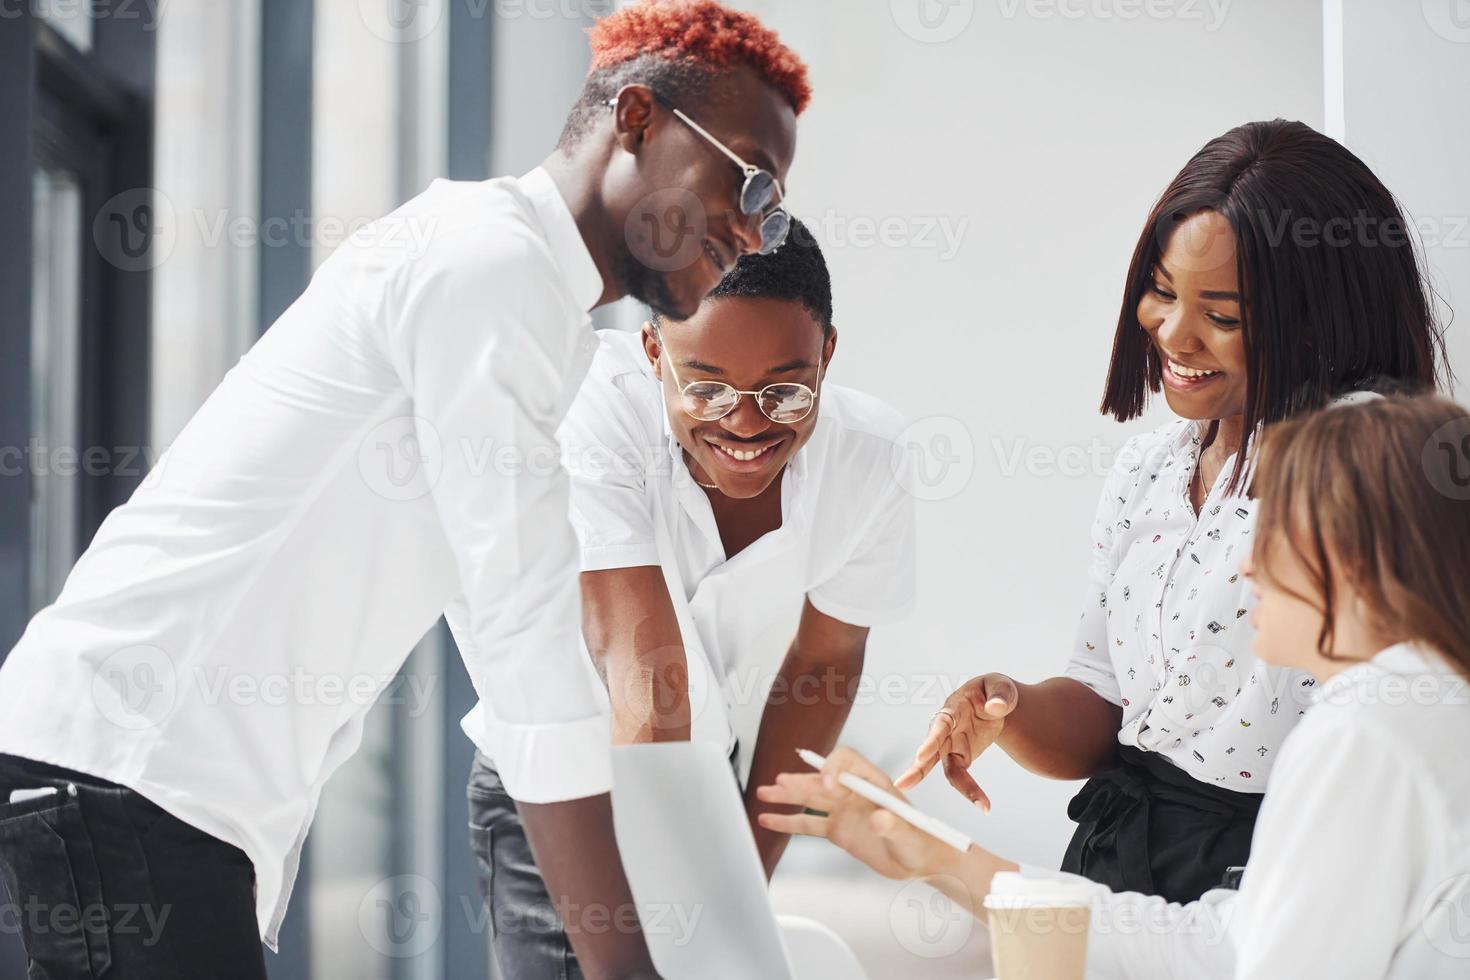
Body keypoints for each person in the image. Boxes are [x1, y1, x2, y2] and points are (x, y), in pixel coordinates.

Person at [0, 2, 809, 977]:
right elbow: (525, 635)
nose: (754, 230)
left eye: (776, 210)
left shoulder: (532, 313)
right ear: (636, 118)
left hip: (164, 798)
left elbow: (510, 636)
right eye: (750, 180)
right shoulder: (489, 263)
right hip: (130, 769)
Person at [893, 119, 1449, 903]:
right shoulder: (1148, 471)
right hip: (1123, 857)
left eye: (1222, 316)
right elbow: (1108, 711)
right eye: (1161, 292)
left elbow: (1376, 733)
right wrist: (1006, 707)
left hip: (1265, 870)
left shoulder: (1354, 471)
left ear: (1318, 316)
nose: (1174, 333)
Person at [758, 394, 1470, 979]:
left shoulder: (1367, 730)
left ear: (1353, 557)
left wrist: (939, 861)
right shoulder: (1422, 709)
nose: (1246, 569)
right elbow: (1227, 944)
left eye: (1273, 531)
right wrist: (936, 856)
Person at [463, 218, 917, 978]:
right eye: (705, 386)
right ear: (652, 354)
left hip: (705, 770)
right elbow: (648, 685)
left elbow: (824, 661)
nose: (744, 421)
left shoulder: (868, 456)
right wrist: (693, 918)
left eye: (783, 391)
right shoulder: (592, 410)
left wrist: (742, 875)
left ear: (826, 355)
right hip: (561, 779)